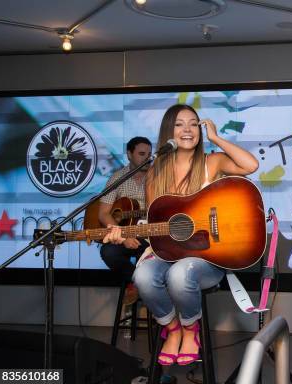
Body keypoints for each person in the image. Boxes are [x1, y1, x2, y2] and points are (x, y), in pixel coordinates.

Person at [103, 104, 259, 366]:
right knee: (142, 276)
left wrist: (217, 138)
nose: (187, 129)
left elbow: (251, 165)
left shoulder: (212, 162)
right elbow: (158, 224)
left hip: (207, 259)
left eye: (193, 123)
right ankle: (172, 328)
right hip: (170, 252)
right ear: (169, 132)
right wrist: (125, 233)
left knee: (180, 273)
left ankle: (190, 327)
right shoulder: (156, 172)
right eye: (179, 124)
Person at [99, 136, 152, 305]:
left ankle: (146, 286)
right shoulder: (117, 178)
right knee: (108, 252)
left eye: (149, 154)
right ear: (129, 154)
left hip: (153, 235)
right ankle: (137, 282)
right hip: (126, 234)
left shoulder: (157, 177)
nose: (147, 158)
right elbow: (104, 214)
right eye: (142, 154)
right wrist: (123, 236)